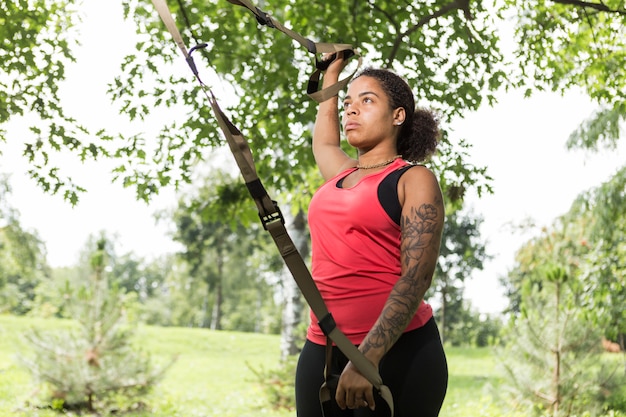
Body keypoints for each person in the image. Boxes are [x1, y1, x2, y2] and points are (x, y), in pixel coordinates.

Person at [295, 53, 448, 417]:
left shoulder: (413, 179)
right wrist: (332, 72)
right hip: (322, 346)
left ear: (398, 116)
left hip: (398, 353)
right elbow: (324, 144)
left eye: (367, 101)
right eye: (348, 103)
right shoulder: (340, 174)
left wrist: (367, 358)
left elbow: (416, 278)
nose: (351, 110)